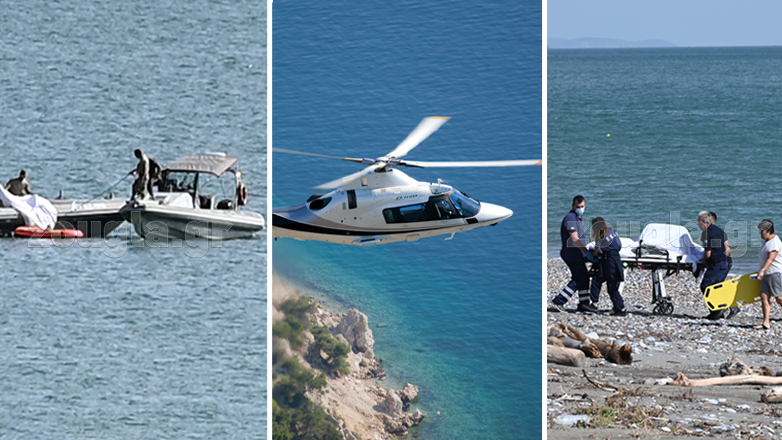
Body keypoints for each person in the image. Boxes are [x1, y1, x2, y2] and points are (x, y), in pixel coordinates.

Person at [551, 195, 598, 313]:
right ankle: (559, 301)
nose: (580, 208)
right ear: (573, 206)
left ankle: (584, 304)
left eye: (582, 206)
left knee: (585, 278)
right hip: (572, 253)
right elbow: (575, 239)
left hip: (578, 253)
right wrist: (586, 252)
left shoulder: (578, 217)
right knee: (579, 278)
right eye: (578, 206)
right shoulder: (570, 218)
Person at [701, 211, 739, 319]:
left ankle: (718, 310)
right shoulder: (721, 232)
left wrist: (707, 260)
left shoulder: (709, 234)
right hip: (727, 261)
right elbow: (727, 249)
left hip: (720, 263)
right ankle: (725, 309)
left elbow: (708, 253)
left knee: (708, 286)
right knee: (717, 286)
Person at [588, 217, 627, 316]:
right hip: (616, 259)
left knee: (599, 281)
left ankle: (619, 308)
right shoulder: (613, 230)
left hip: (608, 260)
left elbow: (596, 252)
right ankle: (618, 307)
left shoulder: (600, 236)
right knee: (610, 283)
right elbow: (619, 245)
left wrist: (595, 253)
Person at [755, 220, 782, 330]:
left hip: (775, 273)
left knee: (779, 298)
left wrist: (762, 270)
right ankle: (766, 323)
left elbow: (771, 259)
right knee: (764, 297)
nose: (760, 234)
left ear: (768, 231)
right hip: (767, 273)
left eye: (762, 231)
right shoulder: (766, 240)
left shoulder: (774, 242)